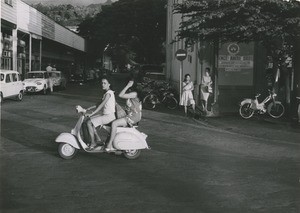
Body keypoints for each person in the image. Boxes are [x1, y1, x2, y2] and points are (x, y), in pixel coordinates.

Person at [105, 80, 142, 152]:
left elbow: (120, 95)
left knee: (114, 123)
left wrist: (127, 86)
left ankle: (109, 144)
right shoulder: (133, 94)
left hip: (132, 117)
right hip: (131, 115)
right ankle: (110, 141)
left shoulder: (134, 93)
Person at [86, 77, 116, 150]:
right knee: (90, 120)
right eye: (102, 83)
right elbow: (98, 104)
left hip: (109, 116)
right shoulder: (106, 93)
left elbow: (101, 105)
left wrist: (92, 113)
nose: (102, 84)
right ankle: (98, 139)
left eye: (105, 83)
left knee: (89, 123)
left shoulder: (109, 93)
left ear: (109, 84)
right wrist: (88, 109)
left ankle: (93, 142)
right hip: (106, 115)